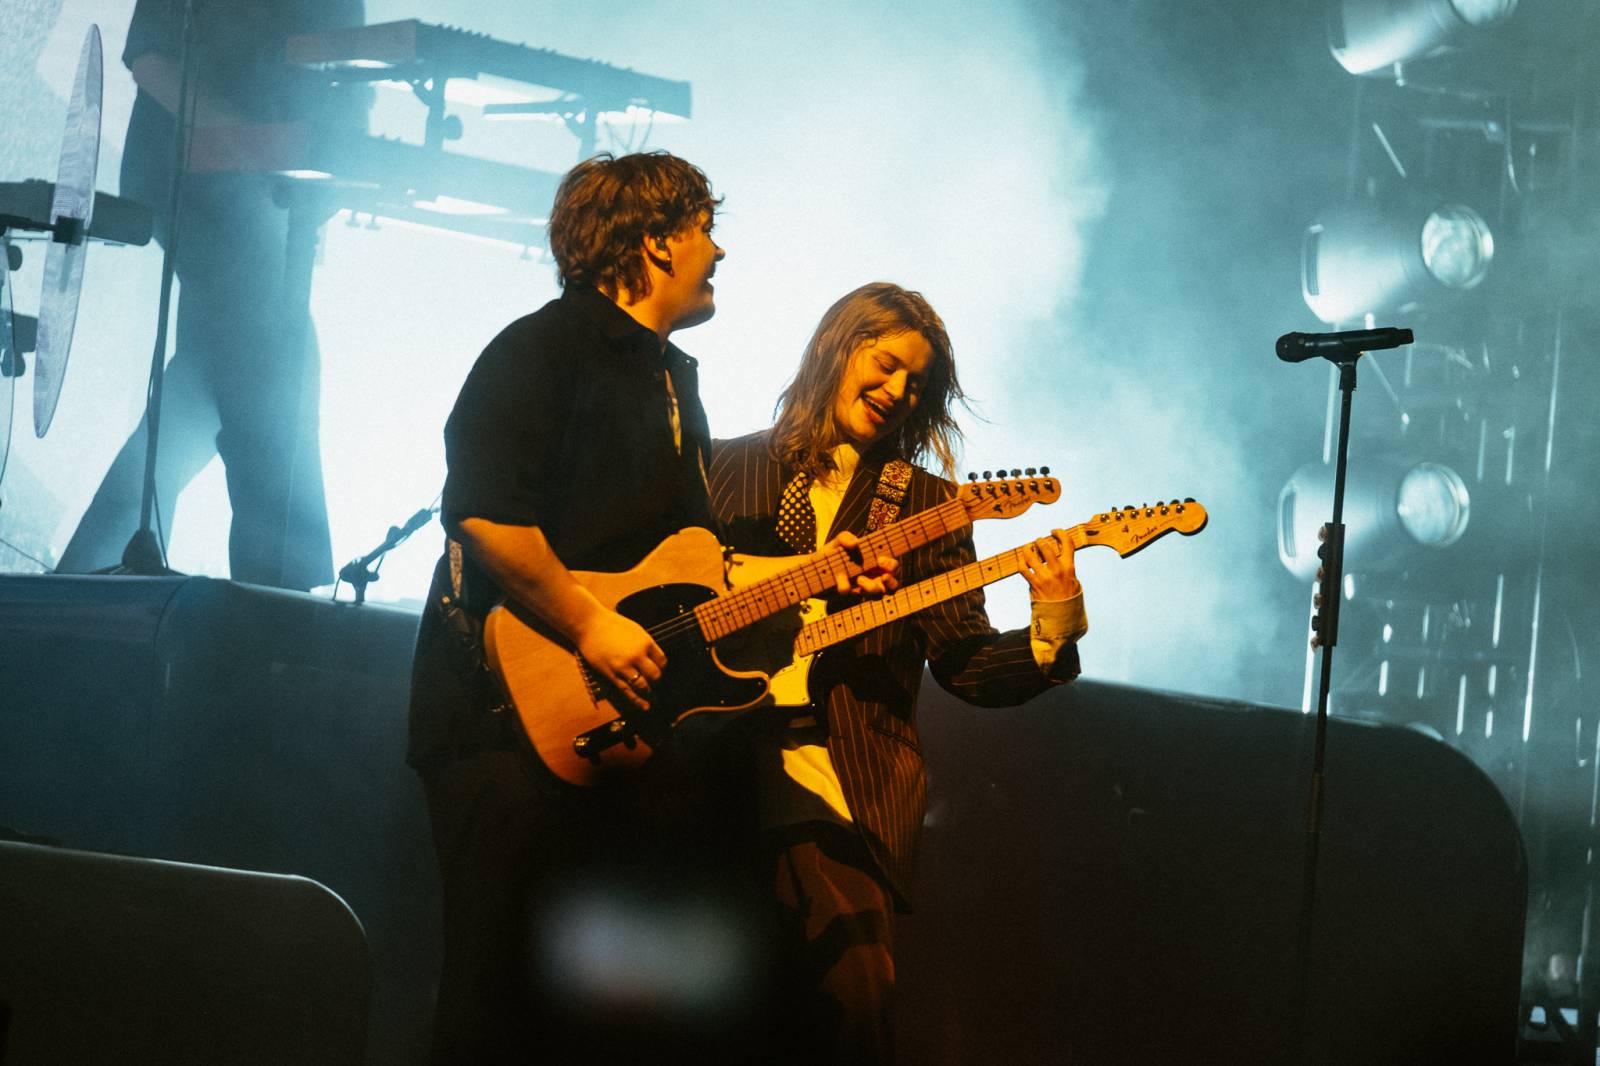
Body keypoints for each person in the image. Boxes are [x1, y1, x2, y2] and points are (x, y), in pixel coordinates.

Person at [707, 281, 1089, 1063]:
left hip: (841, 782)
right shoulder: (722, 465)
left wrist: (1053, 619)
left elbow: (967, 662)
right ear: (833, 348)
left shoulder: (923, 505)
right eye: (884, 366)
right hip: (708, 771)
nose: (896, 393)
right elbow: (675, 599)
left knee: (852, 1011)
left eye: (915, 385)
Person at [55, 0, 369, 590]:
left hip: (265, 210)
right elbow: (152, 56)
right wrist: (255, 147)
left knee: (199, 397)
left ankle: (80, 586)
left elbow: (346, 80)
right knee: (274, 389)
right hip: (209, 202)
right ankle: (288, 609)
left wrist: (318, 165)